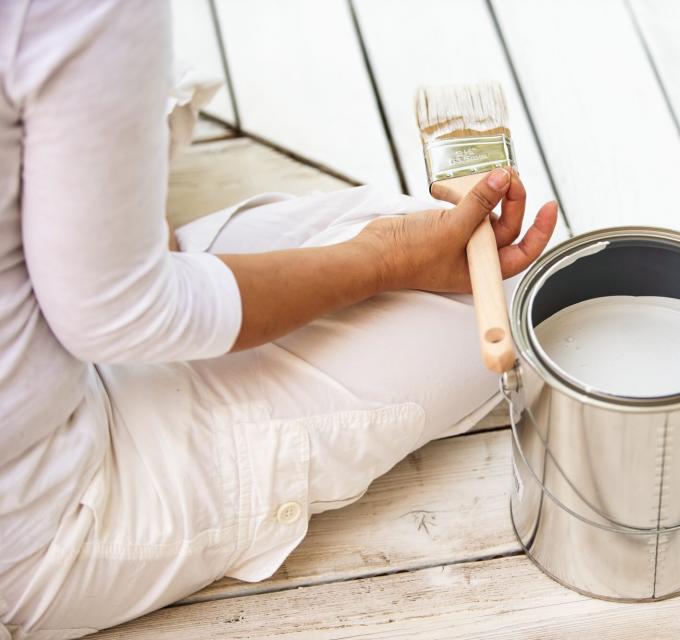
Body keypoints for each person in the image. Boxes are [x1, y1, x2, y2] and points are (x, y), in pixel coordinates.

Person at [0, 1, 559, 637]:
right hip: (48, 505)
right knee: (502, 306)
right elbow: (121, 318)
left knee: (418, 231)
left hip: (58, 346)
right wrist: (386, 257)